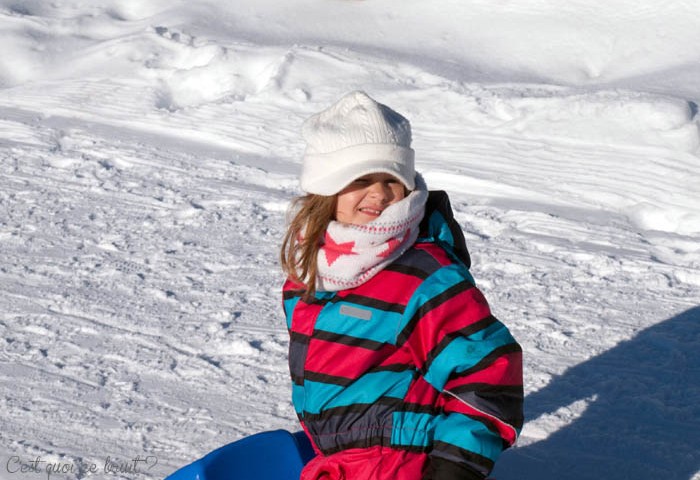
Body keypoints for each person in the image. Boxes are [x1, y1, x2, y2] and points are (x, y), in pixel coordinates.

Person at [280, 91, 523, 480]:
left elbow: (488, 368)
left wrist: (454, 468)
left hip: (400, 465)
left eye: (391, 179)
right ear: (326, 187)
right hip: (340, 463)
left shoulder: (425, 276)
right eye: (361, 179)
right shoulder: (312, 272)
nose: (379, 193)